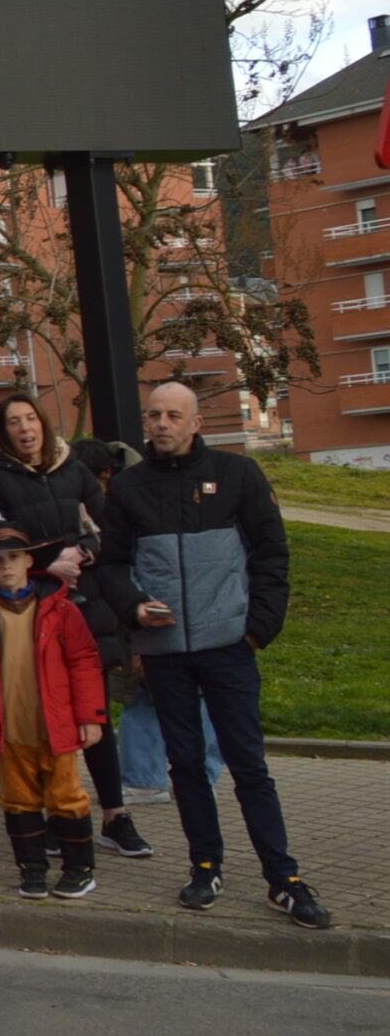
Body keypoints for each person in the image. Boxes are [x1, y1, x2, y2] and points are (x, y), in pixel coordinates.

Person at [95, 382, 328, 927]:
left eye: (173, 415)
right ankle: (205, 867)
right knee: (187, 766)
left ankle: (283, 878)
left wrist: (256, 630)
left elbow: (272, 555)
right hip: (166, 653)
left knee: (249, 766)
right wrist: (133, 609)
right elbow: (108, 566)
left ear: (195, 422)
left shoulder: (238, 475)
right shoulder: (128, 487)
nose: (161, 424)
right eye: (153, 414)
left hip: (229, 648)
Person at [0, 395, 152, 859]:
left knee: (93, 716)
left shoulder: (74, 470)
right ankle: (59, 816)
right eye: (14, 422)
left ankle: (115, 815)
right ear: (3, 432)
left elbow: (105, 527)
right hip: (32, 614)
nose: (24, 428)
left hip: (86, 607)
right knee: (47, 718)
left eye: (30, 418)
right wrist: (52, 565)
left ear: (43, 422)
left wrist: (83, 555)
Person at [0, 520, 108, 899]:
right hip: (8, 727)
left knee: (66, 797)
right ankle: (32, 870)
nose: (6, 566)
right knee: (18, 800)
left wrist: (89, 716)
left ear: (29, 562)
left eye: (14, 557)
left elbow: (84, 661)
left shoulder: (62, 609)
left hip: (56, 726)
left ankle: (79, 869)